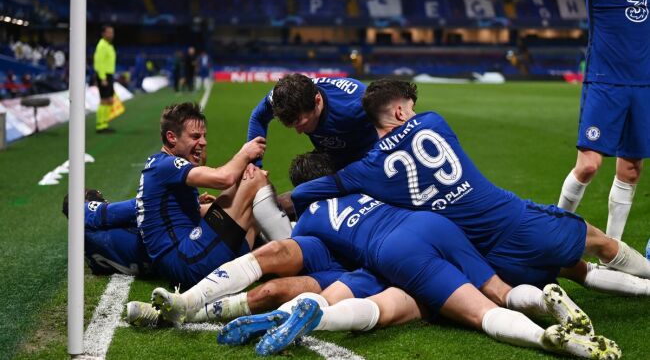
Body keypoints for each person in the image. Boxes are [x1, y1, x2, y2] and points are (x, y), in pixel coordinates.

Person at [147, 153, 621, 359]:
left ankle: (547, 340)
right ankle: (544, 300)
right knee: (494, 291)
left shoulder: (312, 219)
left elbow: (281, 238)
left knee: (438, 311)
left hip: (391, 257)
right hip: (437, 226)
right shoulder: (369, 185)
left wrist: (254, 193)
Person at [291, 80, 650, 291]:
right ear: (401, 112)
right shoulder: (434, 122)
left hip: (482, 256)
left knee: (566, 271)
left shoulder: (366, 171)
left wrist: (286, 198)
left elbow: (321, 187)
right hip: (515, 221)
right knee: (596, 242)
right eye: (409, 107)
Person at [135, 102, 291, 288]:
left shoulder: (162, 167)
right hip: (185, 261)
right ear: (171, 138)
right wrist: (245, 154)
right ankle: (292, 253)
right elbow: (224, 178)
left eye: (204, 136)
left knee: (253, 199)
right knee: (255, 179)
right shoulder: (165, 165)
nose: (203, 142)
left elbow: (178, 215)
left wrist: (213, 206)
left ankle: (282, 250)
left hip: (190, 255)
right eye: (195, 136)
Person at [557, 0, 650, 240]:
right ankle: (552, 239)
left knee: (630, 170)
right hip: (605, 82)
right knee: (588, 165)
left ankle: (612, 253)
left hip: (643, 86)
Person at [247, 73, 376, 170]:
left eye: (301, 123)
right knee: (301, 176)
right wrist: (254, 164)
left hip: (369, 158)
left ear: (317, 100)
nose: (298, 132)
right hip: (334, 156)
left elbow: (394, 123)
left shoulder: (356, 101)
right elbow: (258, 116)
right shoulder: (282, 95)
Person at [93, 25, 117, 133]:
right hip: (104, 75)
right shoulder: (102, 45)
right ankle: (100, 125)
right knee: (104, 100)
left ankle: (105, 124)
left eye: (112, 32)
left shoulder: (108, 45)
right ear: (103, 34)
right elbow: (99, 63)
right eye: (109, 32)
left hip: (109, 75)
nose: (111, 34)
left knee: (109, 100)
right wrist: (102, 77)